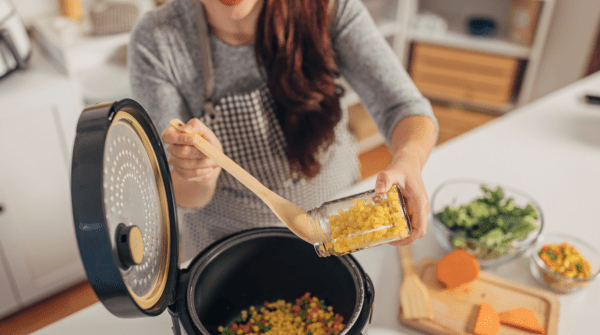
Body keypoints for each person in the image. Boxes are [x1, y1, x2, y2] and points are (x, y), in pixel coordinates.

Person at [128, 0, 438, 262]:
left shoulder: (328, 7)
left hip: (339, 223)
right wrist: (201, 173)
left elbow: (402, 105)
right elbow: (181, 192)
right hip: (230, 244)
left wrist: (409, 158)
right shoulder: (157, 39)